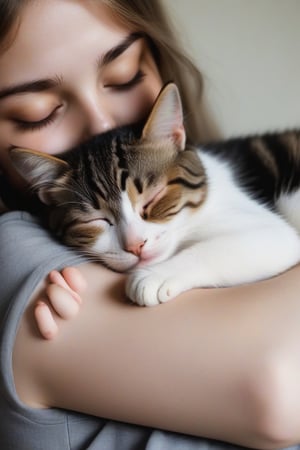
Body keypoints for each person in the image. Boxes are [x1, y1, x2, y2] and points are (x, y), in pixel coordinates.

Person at [1, 1, 300, 449]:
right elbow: (281, 388)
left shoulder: (202, 185)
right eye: (37, 111)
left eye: (124, 76)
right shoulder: (16, 248)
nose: (101, 124)